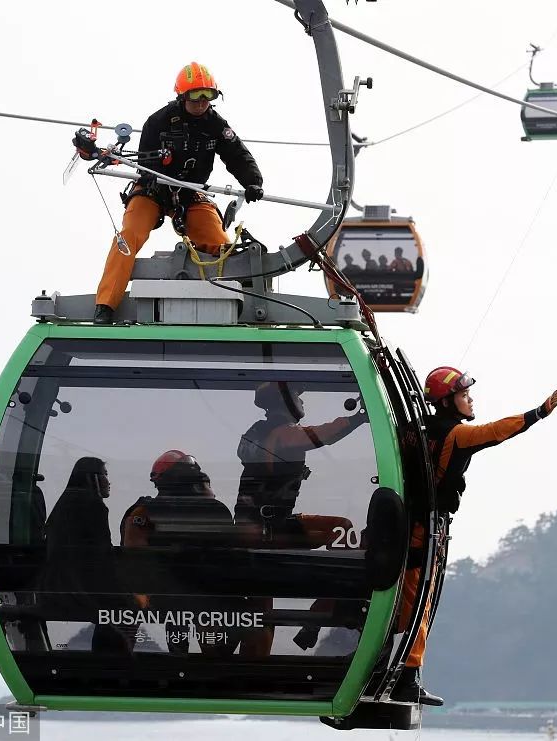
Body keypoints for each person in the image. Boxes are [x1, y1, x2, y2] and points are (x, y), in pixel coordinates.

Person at [391, 367, 557, 706]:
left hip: (404, 522)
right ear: (447, 401)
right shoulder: (457, 434)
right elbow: (495, 432)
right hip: (423, 529)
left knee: (405, 601)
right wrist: (539, 412)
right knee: (418, 606)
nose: (470, 400)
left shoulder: (412, 427)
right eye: (464, 395)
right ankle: (406, 677)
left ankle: (399, 670)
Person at [85, 62, 264, 325]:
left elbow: (237, 155)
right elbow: (146, 161)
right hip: (153, 190)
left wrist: (253, 182)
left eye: (208, 96)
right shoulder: (158, 122)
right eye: (195, 96)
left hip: (191, 194)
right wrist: (158, 177)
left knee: (221, 245)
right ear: (182, 97)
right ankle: (105, 304)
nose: (201, 103)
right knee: (129, 235)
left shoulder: (216, 125)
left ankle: (240, 303)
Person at [234, 382, 370, 653]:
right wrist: (359, 419)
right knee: (341, 532)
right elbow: (322, 435)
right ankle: (322, 614)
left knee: (260, 606)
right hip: (270, 529)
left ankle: (315, 619)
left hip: (260, 523)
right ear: (285, 402)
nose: (302, 402)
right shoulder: (282, 433)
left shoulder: (258, 432)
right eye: (297, 396)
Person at [120, 450, 237, 654]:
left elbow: (133, 559)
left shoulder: (142, 512)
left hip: (169, 598)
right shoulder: (216, 512)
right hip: (203, 599)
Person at [39, 457, 137, 653]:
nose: (108, 482)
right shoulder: (92, 505)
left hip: (59, 585)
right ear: (91, 478)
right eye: (104, 476)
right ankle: (113, 658)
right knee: (127, 610)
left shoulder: (67, 502)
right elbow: (102, 557)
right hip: (78, 587)